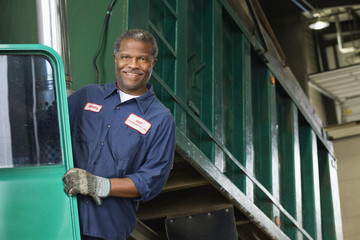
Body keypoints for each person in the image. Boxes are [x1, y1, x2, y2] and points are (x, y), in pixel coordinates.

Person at [63, 29, 176, 240]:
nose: (133, 65)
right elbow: (50, 133)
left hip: (106, 230)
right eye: (126, 57)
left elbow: (151, 180)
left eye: (142, 59)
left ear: (152, 64)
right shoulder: (86, 96)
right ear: (116, 59)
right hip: (62, 218)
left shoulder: (160, 119)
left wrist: (100, 184)